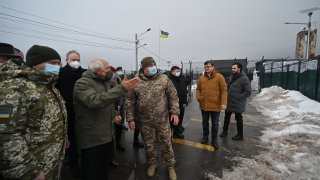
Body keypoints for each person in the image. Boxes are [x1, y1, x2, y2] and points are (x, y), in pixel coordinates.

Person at [0, 44, 68, 179]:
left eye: (58, 63)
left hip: (51, 162)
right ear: (35, 64)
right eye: (52, 63)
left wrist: (63, 138)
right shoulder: (14, 89)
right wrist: (28, 172)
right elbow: (6, 135)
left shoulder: (50, 87)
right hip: (33, 169)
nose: (57, 67)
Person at [73, 58, 139, 180]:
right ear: (99, 71)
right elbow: (95, 101)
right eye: (107, 68)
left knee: (103, 170)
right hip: (92, 139)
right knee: (92, 172)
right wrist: (122, 88)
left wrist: (114, 115)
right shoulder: (82, 83)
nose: (110, 70)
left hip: (106, 136)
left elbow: (106, 103)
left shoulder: (103, 82)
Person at [125, 57, 180, 180]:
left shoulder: (164, 79)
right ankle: (153, 163)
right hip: (145, 121)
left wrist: (175, 112)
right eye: (150, 65)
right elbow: (129, 100)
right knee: (149, 145)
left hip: (162, 119)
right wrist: (130, 118)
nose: (153, 67)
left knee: (166, 143)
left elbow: (173, 96)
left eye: (154, 64)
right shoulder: (136, 82)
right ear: (143, 68)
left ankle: (170, 166)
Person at [55, 50, 86, 176]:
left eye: (78, 59)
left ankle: (86, 164)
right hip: (68, 112)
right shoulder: (60, 73)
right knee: (71, 140)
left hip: (84, 112)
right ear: (66, 60)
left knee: (83, 139)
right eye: (73, 59)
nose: (76, 62)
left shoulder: (84, 73)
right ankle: (74, 166)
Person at [196, 60, 227, 149]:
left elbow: (224, 91)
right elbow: (198, 89)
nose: (206, 68)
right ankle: (205, 137)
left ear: (213, 67)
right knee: (205, 123)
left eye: (208, 66)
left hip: (215, 105)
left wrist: (224, 103)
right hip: (204, 105)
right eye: (205, 67)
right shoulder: (201, 78)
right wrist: (199, 97)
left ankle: (214, 140)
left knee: (215, 124)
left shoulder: (219, 77)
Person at [220, 62, 252, 140]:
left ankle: (240, 135)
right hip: (229, 101)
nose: (233, 69)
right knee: (226, 117)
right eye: (232, 68)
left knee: (238, 118)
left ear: (239, 68)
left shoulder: (244, 78)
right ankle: (224, 131)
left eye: (234, 68)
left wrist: (238, 97)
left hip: (238, 102)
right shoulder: (232, 77)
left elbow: (248, 91)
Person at [168, 66, 188, 138]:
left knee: (180, 118)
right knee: (171, 120)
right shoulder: (168, 80)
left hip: (181, 103)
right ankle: (170, 134)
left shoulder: (180, 79)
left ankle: (177, 132)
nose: (178, 73)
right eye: (177, 71)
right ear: (172, 71)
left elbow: (184, 90)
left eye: (179, 71)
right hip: (172, 104)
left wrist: (185, 101)